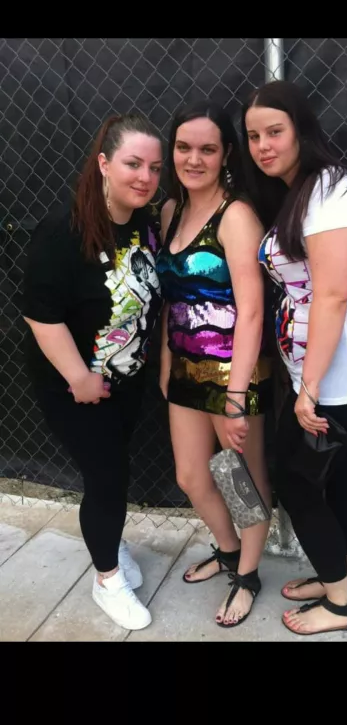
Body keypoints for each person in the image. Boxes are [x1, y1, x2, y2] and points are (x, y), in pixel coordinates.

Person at [242, 80, 347, 636]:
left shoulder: (329, 193)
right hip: (327, 372)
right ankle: (337, 574)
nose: (263, 146)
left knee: (298, 484)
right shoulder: (306, 189)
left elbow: (332, 295)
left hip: (331, 378)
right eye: (253, 136)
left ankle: (341, 604)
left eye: (274, 132)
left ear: (302, 130)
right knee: (340, 475)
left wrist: (309, 389)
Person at [22, 113, 163, 631]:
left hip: (126, 379)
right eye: (132, 164)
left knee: (110, 473)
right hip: (74, 385)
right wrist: (79, 378)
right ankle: (107, 578)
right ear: (104, 163)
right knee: (108, 475)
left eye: (154, 168)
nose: (145, 177)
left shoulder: (145, 223)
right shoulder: (63, 229)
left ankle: (107, 539)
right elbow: (40, 314)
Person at [156, 100, 272, 627]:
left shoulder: (237, 216)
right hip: (184, 368)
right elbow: (170, 298)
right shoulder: (169, 212)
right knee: (190, 475)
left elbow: (252, 312)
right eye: (184, 147)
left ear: (226, 153)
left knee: (242, 480)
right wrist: (166, 362)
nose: (193, 159)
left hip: (234, 374)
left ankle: (248, 575)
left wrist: (236, 397)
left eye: (207, 149)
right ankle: (228, 550)